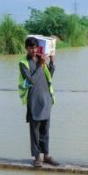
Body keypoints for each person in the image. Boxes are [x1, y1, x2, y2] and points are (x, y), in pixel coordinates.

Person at [19, 36, 58, 168]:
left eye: (35, 47)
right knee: (35, 130)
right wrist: (40, 65)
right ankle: (37, 157)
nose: (34, 50)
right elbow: (30, 80)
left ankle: (46, 155)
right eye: (31, 48)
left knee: (45, 129)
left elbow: (49, 76)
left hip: (46, 98)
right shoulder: (23, 63)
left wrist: (52, 61)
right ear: (26, 48)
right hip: (34, 99)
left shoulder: (41, 59)